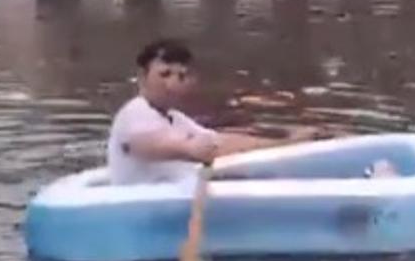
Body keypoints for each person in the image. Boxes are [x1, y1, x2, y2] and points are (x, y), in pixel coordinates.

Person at [106, 38, 316, 185]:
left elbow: (221, 142)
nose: (172, 84)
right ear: (142, 77)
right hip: (144, 210)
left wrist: (285, 143)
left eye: (181, 77)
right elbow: (142, 145)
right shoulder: (135, 113)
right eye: (164, 74)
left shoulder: (176, 119)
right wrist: (187, 149)